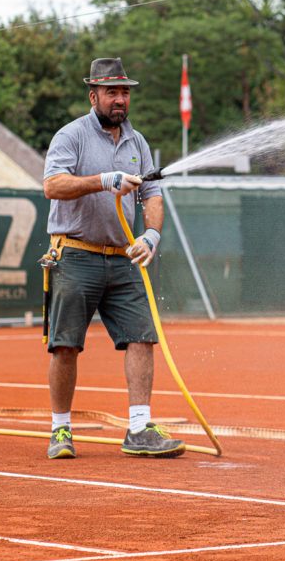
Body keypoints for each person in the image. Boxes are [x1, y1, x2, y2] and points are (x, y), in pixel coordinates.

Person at [41, 57, 184, 460]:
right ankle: (61, 430)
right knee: (65, 345)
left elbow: (152, 195)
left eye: (124, 92)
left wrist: (152, 235)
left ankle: (139, 428)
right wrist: (103, 181)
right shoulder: (71, 136)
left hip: (123, 259)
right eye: (111, 93)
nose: (119, 100)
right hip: (76, 254)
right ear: (94, 96)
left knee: (142, 335)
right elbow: (52, 185)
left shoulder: (138, 143)